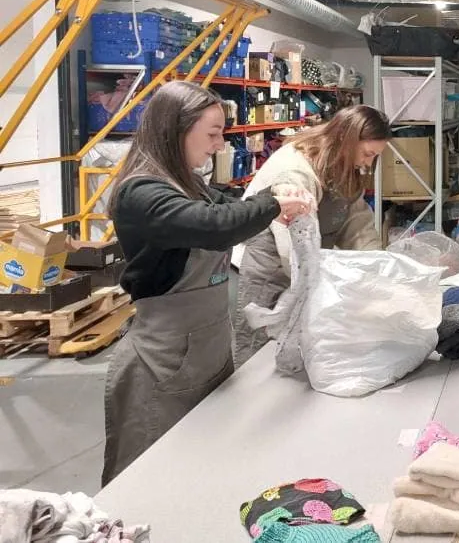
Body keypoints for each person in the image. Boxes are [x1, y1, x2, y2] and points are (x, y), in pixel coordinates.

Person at [104, 81, 311, 485]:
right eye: (213, 134)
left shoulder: (190, 185)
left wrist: (272, 200)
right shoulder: (142, 192)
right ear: (175, 130)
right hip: (163, 358)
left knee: (204, 464)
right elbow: (215, 227)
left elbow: (229, 208)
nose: (219, 145)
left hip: (208, 349)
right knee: (149, 476)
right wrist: (272, 204)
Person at [231, 104, 390, 366]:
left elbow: (357, 223)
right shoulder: (296, 170)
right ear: (346, 140)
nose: (368, 163)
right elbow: (292, 244)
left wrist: (375, 272)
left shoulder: (345, 166)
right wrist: (321, 289)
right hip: (269, 268)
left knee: (297, 351)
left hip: (303, 268)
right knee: (258, 356)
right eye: (367, 153)